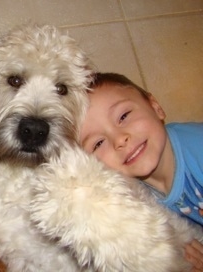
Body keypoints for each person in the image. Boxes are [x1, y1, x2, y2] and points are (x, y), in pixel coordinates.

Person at [79, 72, 203, 270]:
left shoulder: (198, 147)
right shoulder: (135, 196)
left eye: (124, 116)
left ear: (155, 107)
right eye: (98, 143)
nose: (120, 140)